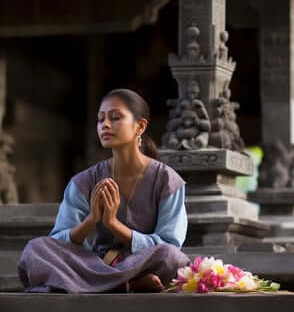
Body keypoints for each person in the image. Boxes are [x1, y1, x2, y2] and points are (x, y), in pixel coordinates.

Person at [17, 89, 190, 294]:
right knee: (36, 250)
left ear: (140, 126)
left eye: (115, 118)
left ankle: (89, 286)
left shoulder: (166, 180)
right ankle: (121, 285)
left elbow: (170, 243)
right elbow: (57, 240)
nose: (105, 125)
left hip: (140, 265)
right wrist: (91, 221)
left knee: (172, 258)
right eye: (100, 120)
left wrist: (113, 225)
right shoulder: (84, 181)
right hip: (92, 264)